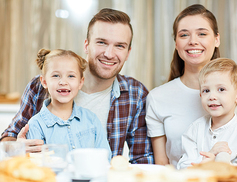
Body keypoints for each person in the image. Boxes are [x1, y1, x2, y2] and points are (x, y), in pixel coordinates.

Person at [1, 8, 153, 164]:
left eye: (120, 46)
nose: (109, 53)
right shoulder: (40, 86)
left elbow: (142, 160)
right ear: (86, 45)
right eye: (101, 42)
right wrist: (17, 148)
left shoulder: (135, 93)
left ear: (128, 53)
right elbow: (7, 139)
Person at [146, 4, 237, 167]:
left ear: (216, 39)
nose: (193, 41)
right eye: (184, 35)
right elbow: (162, 165)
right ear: (176, 43)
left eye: (202, 33)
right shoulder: (157, 97)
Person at [177, 58, 237, 169]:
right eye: (206, 91)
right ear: (200, 96)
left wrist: (219, 164)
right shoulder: (194, 130)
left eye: (221, 89)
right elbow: (183, 167)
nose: (212, 97)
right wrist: (207, 158)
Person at [27, 48, 111, 159]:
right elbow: (36, 166)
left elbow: (105, 159)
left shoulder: (91, 119)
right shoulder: (36, 125)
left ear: (80, 82)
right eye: (56, 76)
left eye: (71, 76)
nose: (63, 82)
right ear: (44, 82)